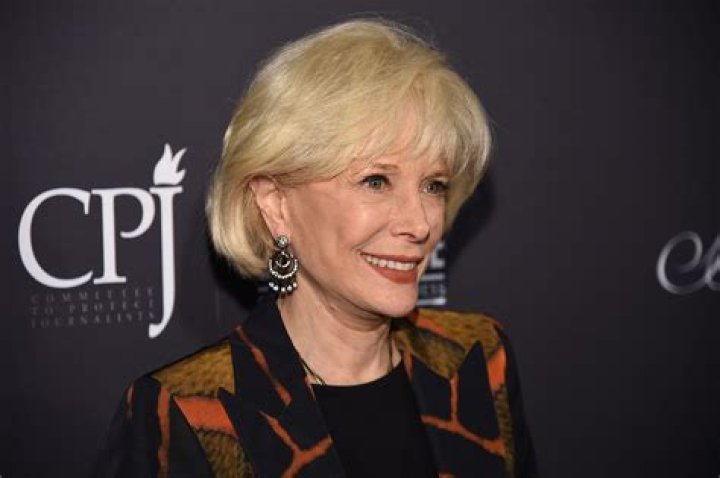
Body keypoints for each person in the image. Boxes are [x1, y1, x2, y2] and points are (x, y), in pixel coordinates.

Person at [97, 18, 537, 478]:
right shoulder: (188, 412)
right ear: (276, 204)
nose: (420, 223)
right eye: (376, 181)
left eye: (434, 185)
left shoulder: (478, 359)